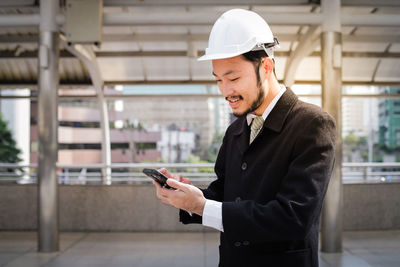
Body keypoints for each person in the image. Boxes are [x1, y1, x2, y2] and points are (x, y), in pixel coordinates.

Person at [153, 9, 336, 267]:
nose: (226, 91)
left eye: (234, 78)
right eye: (218, 80)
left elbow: (295, 217)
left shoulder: (312, 123)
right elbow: (227, 193)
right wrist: (188, 198)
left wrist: (204, 207)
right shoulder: (236, 130)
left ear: (266, 67)